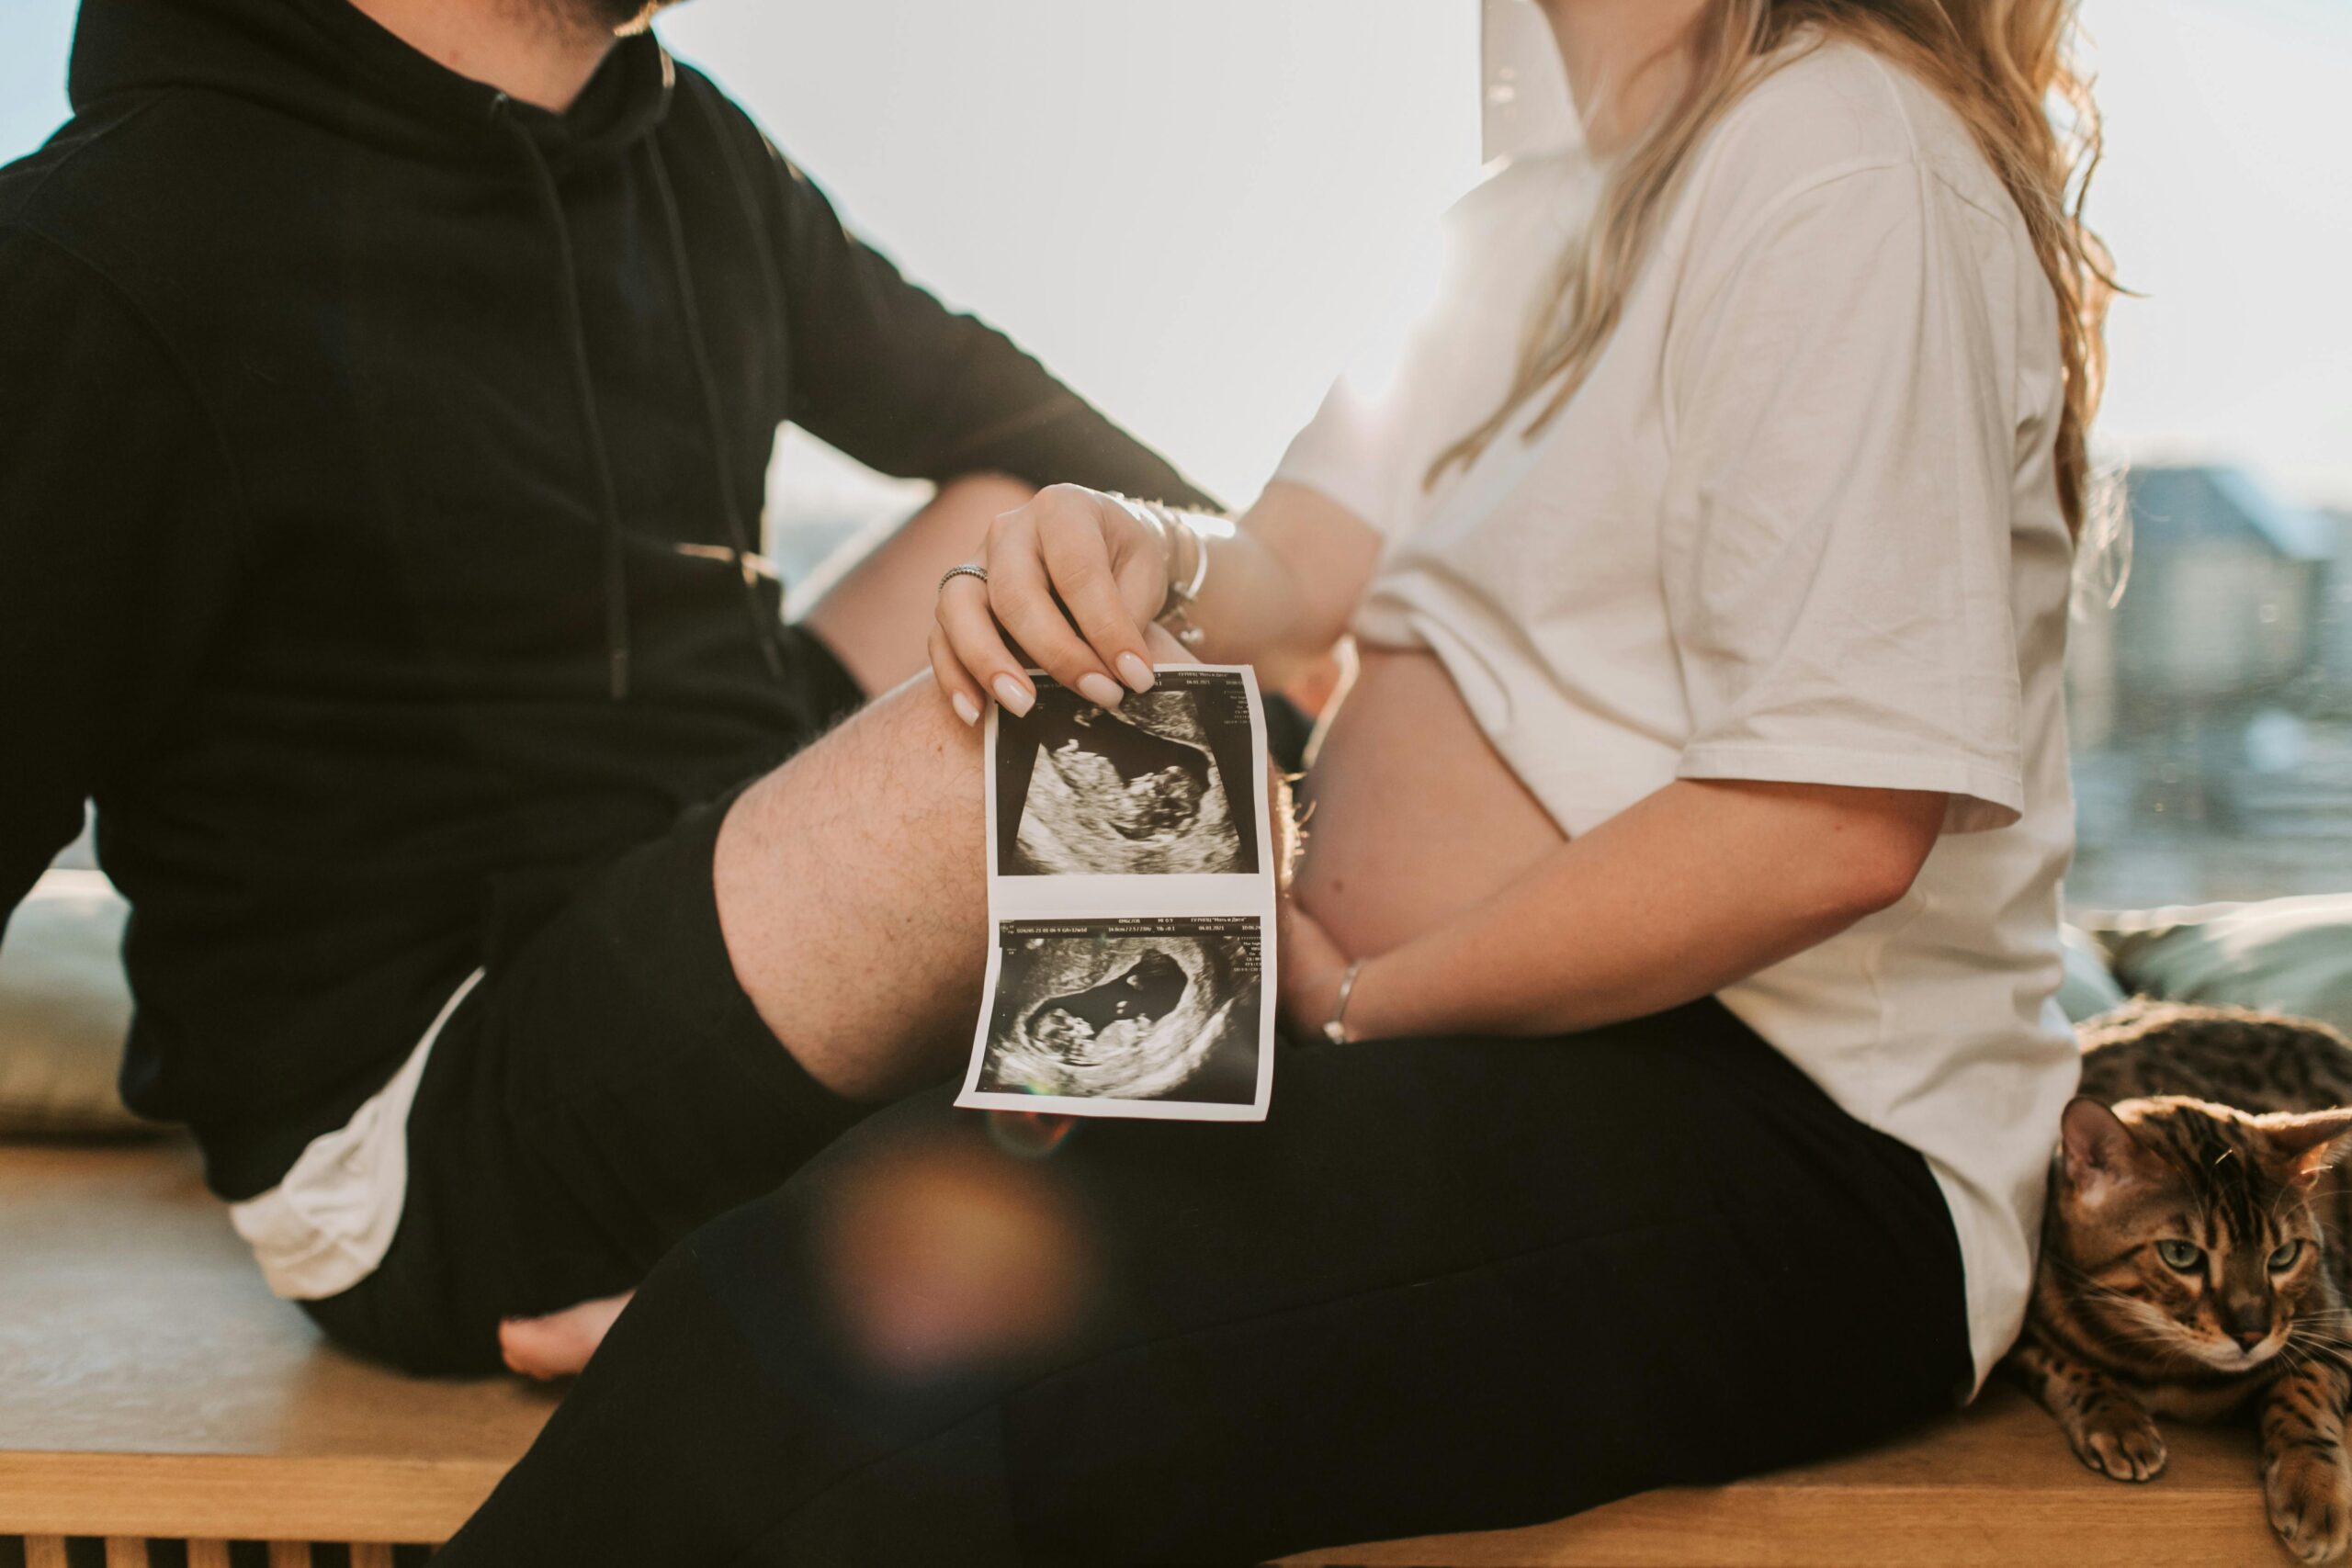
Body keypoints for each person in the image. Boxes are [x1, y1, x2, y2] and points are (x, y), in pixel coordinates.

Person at [437, 0, 2118, 1560]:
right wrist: (1129, 546)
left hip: (1802, 1143)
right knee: (842, 1261)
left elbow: (1828, 829)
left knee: (823, 1355)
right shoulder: (1527, 211)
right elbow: (1293, 580)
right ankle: (722, 1370)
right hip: (1490, 1039)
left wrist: (1366, 1004)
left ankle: (729, 1394)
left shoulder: (1839, 148)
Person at [0, 0, 1216, 1375]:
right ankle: (1049, 1245)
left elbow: (1120, 488)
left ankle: (967, 1209)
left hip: (693, 873)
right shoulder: (109, 244)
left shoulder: (689, 148)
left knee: (1060, 539)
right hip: (427, 1119)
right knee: (1097, 732)